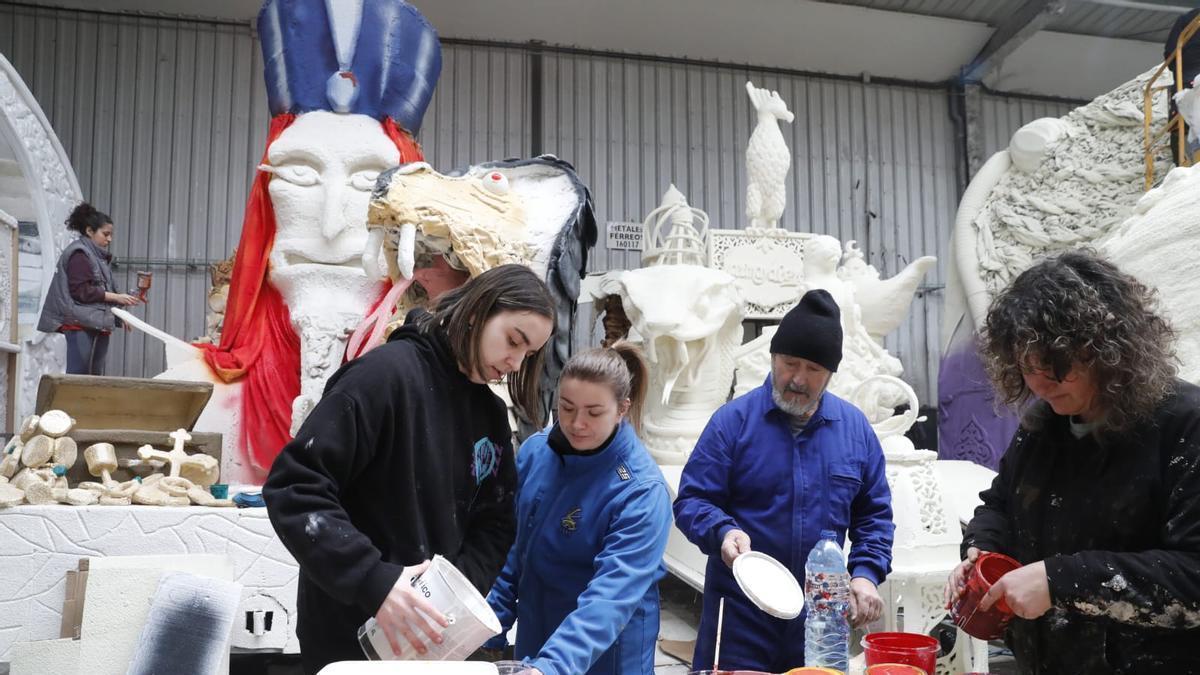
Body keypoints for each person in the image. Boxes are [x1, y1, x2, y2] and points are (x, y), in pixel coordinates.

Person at [263, 264, 555, 674]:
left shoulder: (488, 413)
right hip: (350, 635)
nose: (515, 361)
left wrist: (447, 594)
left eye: (528, 353)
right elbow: (295, 486)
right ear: (477, 311)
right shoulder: (382, 377)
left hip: (434, 638)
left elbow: (496, 522)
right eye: (513, 340)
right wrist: (375, 581)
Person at [944, 250, 1200, 673]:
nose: (1040, 384)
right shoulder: (1043, 427)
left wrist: (1060, 581)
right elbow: (1000, 506)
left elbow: (1193, 577)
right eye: (1027, 367)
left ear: (1109, 350)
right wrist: (980, 549)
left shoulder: (1185, 426)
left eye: (1056, 365)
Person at [674, 289, 894, 673]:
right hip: (740, 611)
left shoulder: (855, 429)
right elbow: (692, 501)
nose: (798, 379)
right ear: (773, 357)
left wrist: (865, 575)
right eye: (790, 363)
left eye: (814, 370)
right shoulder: (733, 423)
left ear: (830, 374)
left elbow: (873, 516)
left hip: (821, 617)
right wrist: (723, 532)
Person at [484, 343, 672, 675]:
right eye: (567, 408)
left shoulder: (641, 491)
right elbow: (513, 548)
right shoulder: (537, 453)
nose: (577, 424)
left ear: (621, 409)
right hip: (538, 637)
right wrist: (486, 622)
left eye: (594, 412)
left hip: (604, 650)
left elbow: (611, 597)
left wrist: (552, 666)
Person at [37, 202, 140, 375]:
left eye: (111, 235)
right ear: (89, 231)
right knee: (80, 374)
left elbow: (99, 295)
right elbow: (81, 292)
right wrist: (116, 297)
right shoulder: (79, 254)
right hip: (81, 324)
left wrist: (120, 316)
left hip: (95, 324)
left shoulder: (96, 257)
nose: (109, 239)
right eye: (105, 234)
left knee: (92, 375)